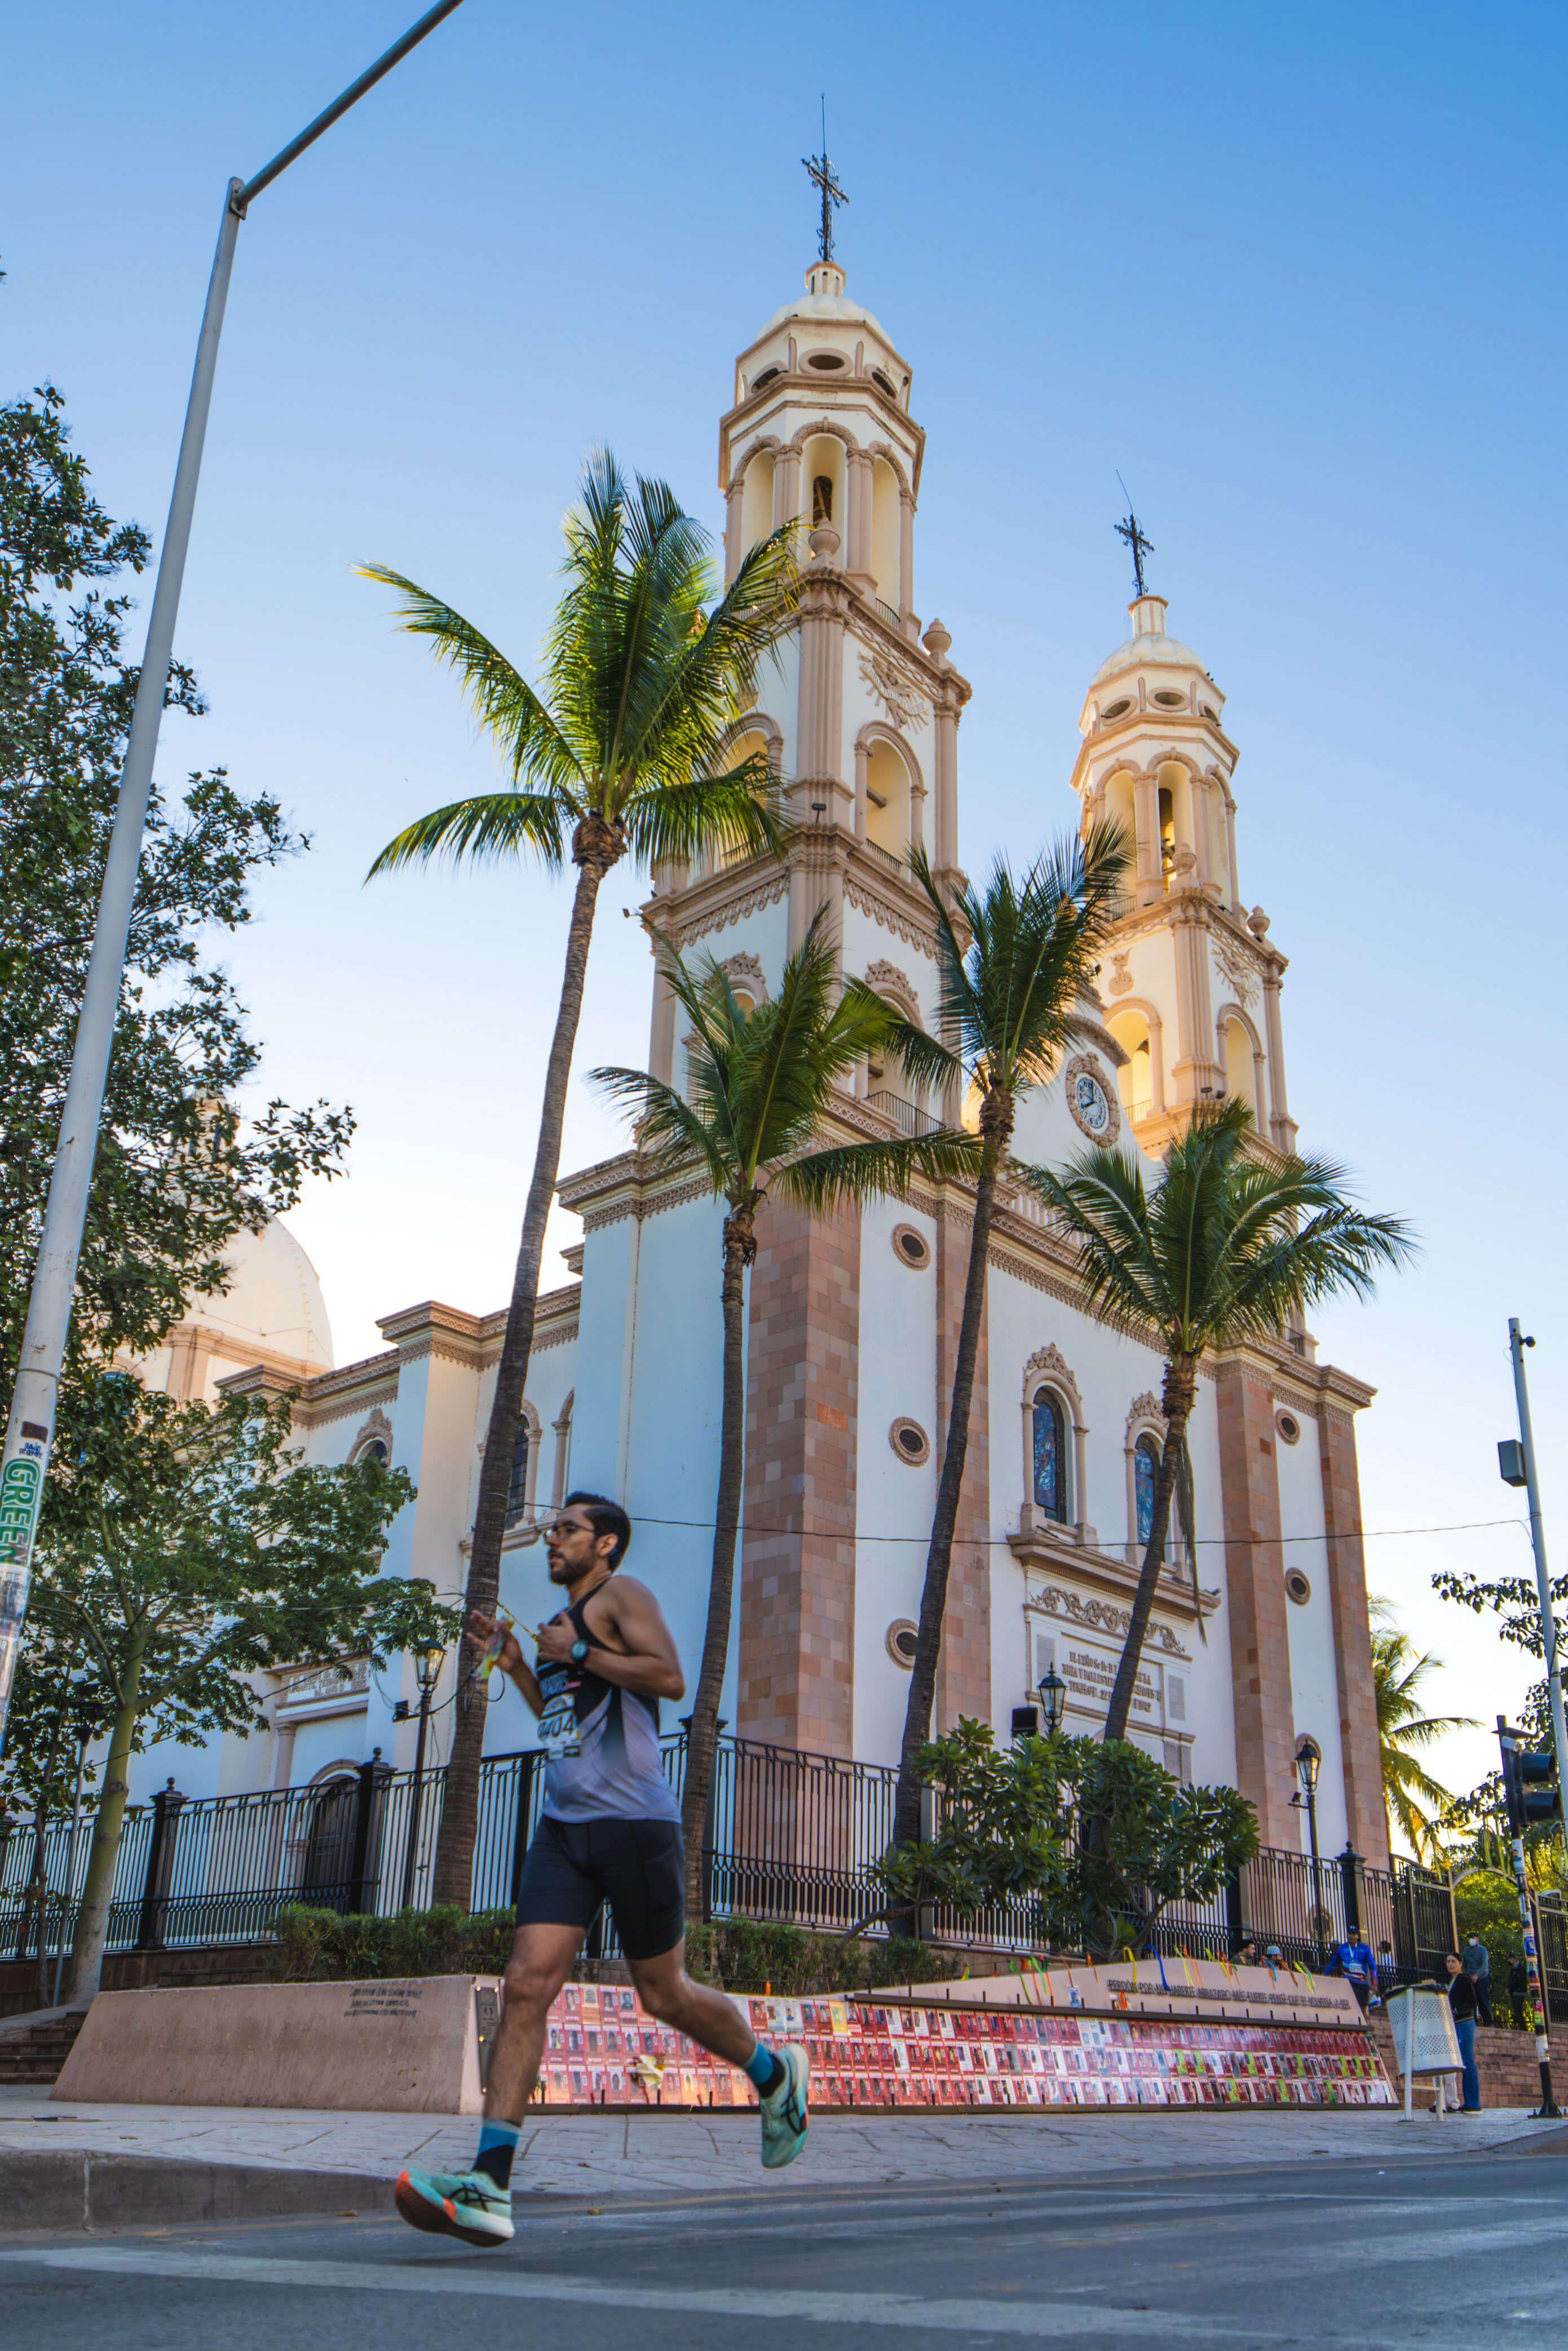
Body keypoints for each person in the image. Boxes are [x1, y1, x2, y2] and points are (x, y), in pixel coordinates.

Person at [394, 1492, 809, 2246]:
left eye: (568, 1529)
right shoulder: (559, 1629)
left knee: (664, 1994)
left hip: (634, 1826)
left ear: (606, 1542)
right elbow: (563, 1711)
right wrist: (524, 1665)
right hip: (564, 1829)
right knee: (525, 1985)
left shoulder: (622, 1596)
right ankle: (489, 2182)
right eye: (553, 1529)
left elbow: (668, 1677)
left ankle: (775, 2073)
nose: (553, 1539)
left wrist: (576, 1651)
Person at [1445, 1951, 1482, 2111]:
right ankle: (1464, 2101)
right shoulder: (1452, 1982)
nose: (1450, 1964)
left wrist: (1457, 2011)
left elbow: (1472, 2002)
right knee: (1462, 2063)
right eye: (1448, 1962)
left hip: (1465, 2023)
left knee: (1468, 2062)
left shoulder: (1464, 1979)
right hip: (1456, 2025)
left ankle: (1473, 2103)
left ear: (1460, 1963)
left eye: (1453, 1961)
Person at [1325, 1930, 1378, 2012]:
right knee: (1348, 2008)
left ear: (1358, 1936)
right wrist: (1324, 1975)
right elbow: (1332, 1964)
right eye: (1350, 1934)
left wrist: (1375, 1983)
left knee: (1362, 2011)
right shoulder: (1342, 1949)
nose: (1351, 1936)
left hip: (1361, 1984)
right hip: (1348, 1983)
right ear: (1347, 1935)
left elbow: (1373, 1966)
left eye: (1354, 1934)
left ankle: (1363, 2024)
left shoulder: (1365, 1948)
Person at [1461, 1931, 1493, 2027]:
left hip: (1482, 1978)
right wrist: (1467, 1975)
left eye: (1474, 1938)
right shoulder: (1467, 1951)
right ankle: (1473, 2022)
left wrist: (1477, 1975)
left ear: (1477, 1939)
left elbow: (1484, 1965)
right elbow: (1464, 1965)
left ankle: (1488, 2022)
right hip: (1470, 1978)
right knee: (1472, 2000)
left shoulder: (1483, 1950)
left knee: (1484, 2000)